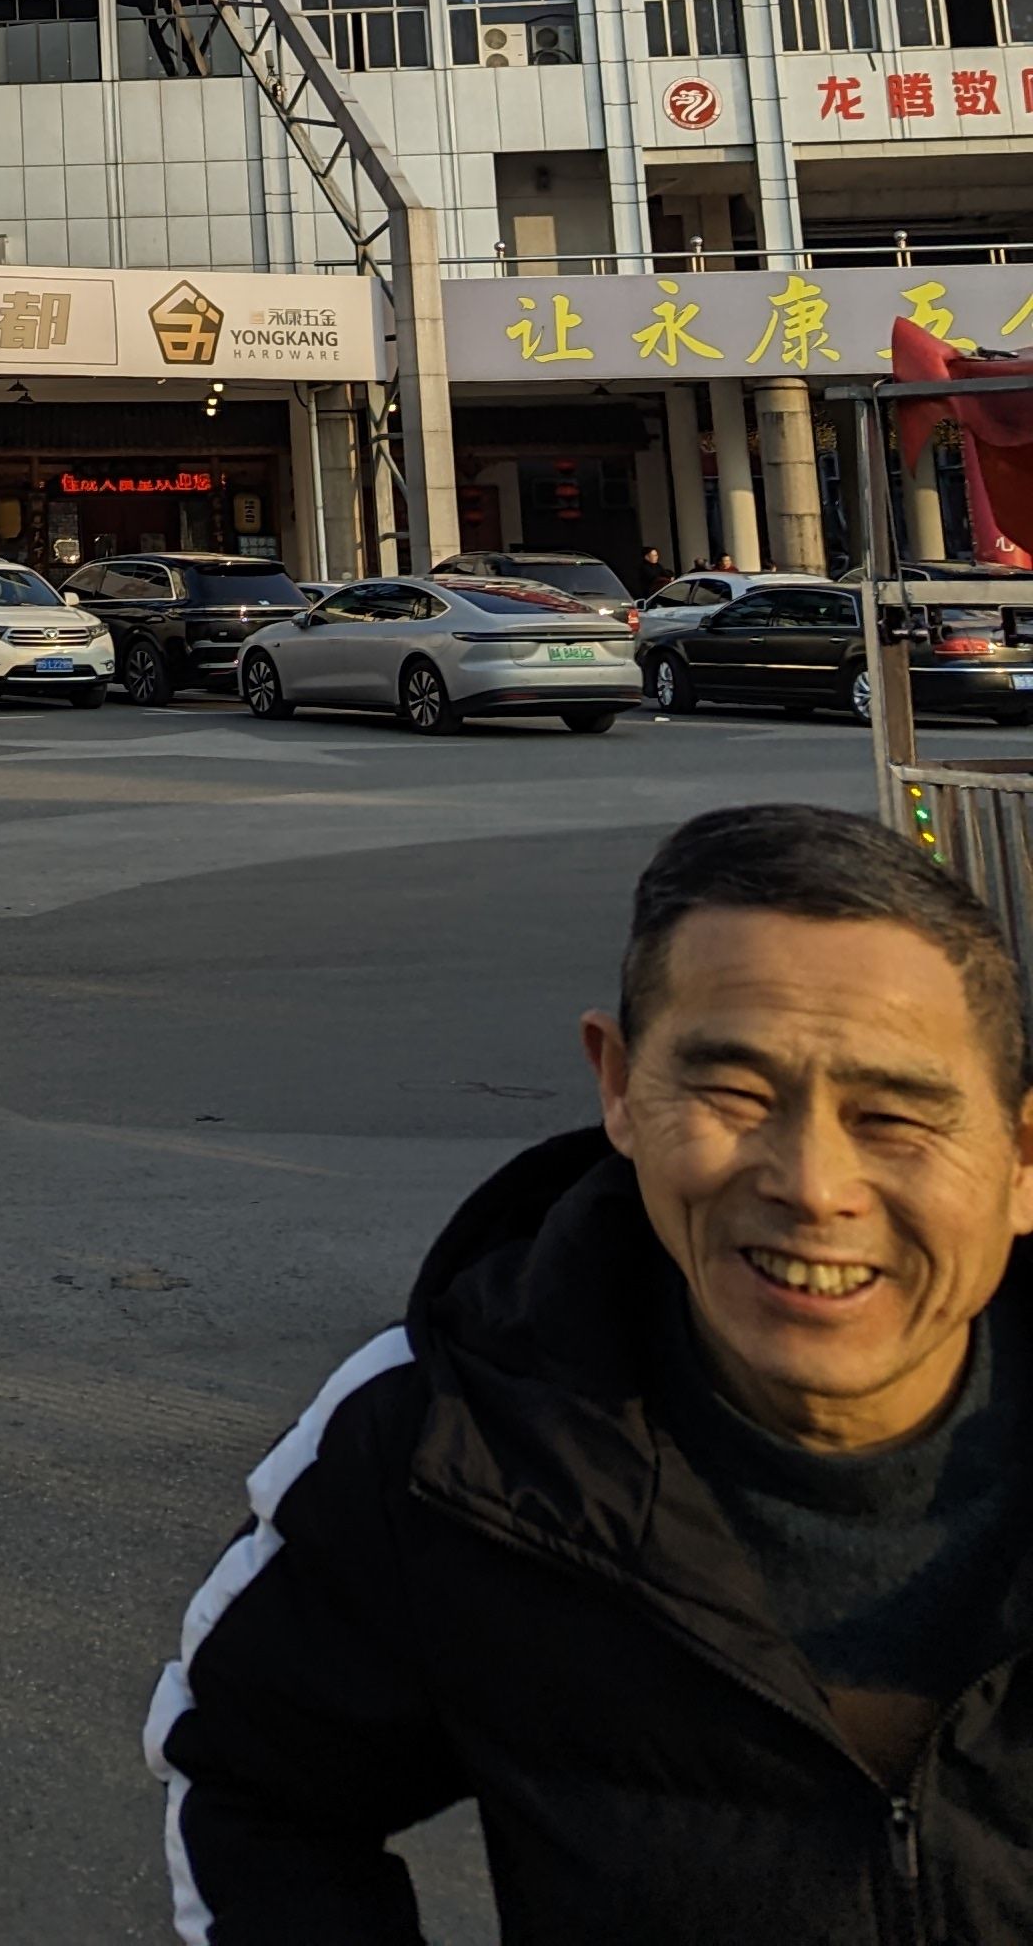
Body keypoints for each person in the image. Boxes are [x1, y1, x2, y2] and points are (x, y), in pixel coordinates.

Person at [147, 801, 1033, 1935]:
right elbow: (248, 1780)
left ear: (1020, 1157)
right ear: (618, 1086)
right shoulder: (458, 1442)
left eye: (895, 1114)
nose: (814, 1184)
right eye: (734, 1094)